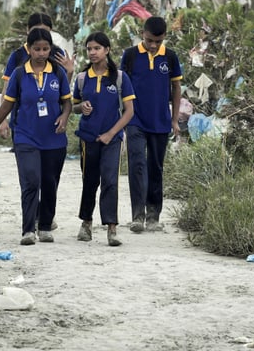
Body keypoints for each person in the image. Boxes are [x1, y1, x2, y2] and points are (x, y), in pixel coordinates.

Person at [0, 27, 72, 245]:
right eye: (37, 49)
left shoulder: (58, 73)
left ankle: (45, 226)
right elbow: (7, 105)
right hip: (26, 136)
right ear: (29, 49)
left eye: (45, 49)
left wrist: (65, 116)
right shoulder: (20, 74)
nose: (42, 53)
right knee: (31, 180)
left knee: (50, 183)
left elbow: (67, 101)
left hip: (54, 137)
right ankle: (28, 230)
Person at [120, 16, 182, 233]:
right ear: (142, 34)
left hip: (160, 120)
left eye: (158, 41)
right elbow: (122, 86)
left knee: (155, 166)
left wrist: (174, 119)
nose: (153, 45)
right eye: (149, 41)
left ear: (164, 37)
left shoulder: (171, 58)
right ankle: (137, 215)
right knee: (137, 164)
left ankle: (153, 214)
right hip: (135, 119)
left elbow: (176, 89)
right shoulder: (130, 56)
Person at [72, 32, 135, 247]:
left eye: (97, 48)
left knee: (110, 181)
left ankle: (112, 228)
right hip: (88, 138)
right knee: (90, 181)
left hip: (113, 139)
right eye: (89, 49)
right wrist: (81, 107)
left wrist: (111, 133)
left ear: (107, 50)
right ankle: (86, 223)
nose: (92, 52)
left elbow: (129, 112)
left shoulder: (119, 78)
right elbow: (72, 107)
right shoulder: (82, 78)